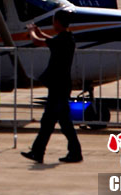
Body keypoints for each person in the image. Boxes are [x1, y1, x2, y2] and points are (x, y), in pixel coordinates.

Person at [21, 9, 82, 164]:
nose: (53, 23)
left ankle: (74, 153)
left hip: (59, 86)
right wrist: (40, 33)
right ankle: (38, 151)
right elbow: (50, 41)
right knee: (49, 122)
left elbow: (37, 42)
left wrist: (32, 32)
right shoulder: (66, 38)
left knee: (61, 123)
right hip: (59, 85)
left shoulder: (62, 40)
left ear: (59, 22)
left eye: (54, 21)